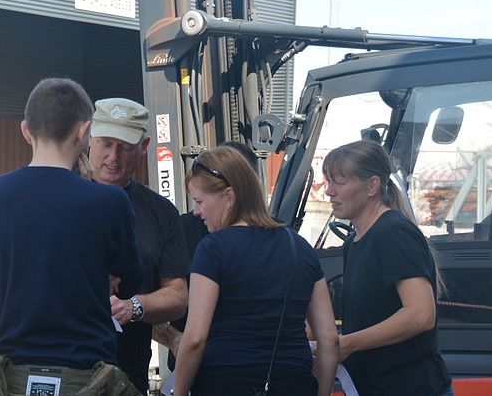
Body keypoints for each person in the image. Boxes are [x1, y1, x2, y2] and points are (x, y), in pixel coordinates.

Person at [0, 78, 145, 395]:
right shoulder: (109, 202)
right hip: (86, 379)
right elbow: (130, 281)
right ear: (83, 131)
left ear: (25, 130)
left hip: (9, 381)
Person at [172, 146, 339, 396]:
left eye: (199, 201)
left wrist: (179, 393)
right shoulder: (299, 247)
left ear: (229, 197)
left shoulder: (212, 249)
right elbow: (329, 339)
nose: (196, 212)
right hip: (293, 382)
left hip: (224, 384)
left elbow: (195, 338)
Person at [322, 140, 453, 396]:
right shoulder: (355, 241)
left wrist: (348, 344)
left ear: (371, 186)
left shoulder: (393, 232)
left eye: (340, 182)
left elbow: (421, 315)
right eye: (328, 182)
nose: (329, 191)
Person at [88, 97, 190, 394]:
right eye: (106, 143)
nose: (113, 157)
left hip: (127, 374)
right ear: (89, 139)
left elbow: (178, 295)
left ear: (144, 147)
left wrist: (133, 306)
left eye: (125, 148)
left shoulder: (161, 212)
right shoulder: (58, 198)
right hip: (63, 369)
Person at [154, 140, 260, 369]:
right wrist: (171, 336)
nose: (197, 210)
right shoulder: (183, 230)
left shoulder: (276, 239)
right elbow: (144, 303)